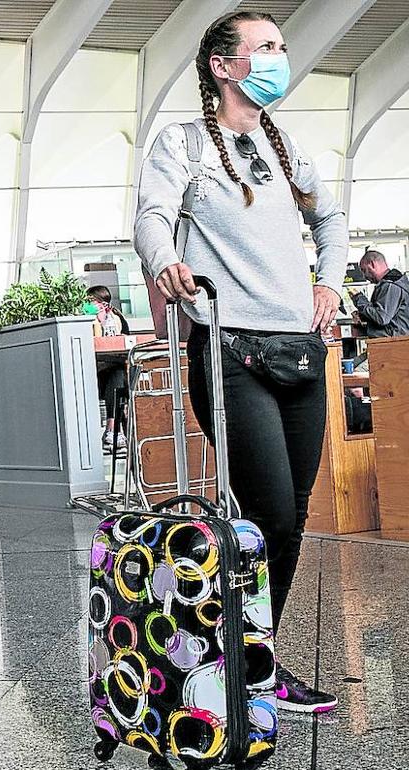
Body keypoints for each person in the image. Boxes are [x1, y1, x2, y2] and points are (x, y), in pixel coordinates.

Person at [134, 11, 347, 713]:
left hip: (301, 349)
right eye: (263, 48)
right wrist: (165, 261)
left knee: (292, 516)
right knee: (271, 515)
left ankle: (255, 661)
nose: (278, 58)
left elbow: (332, 218)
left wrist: (329, 282)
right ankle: (246, 664)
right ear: (223, 66)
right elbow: (153, 215)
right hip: (228, 347)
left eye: (281, 47)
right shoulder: (186, 143)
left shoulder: (287, 147)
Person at [88, 285, 130, 451]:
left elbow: (125, 341)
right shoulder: (84, 319)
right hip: (91, 373)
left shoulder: (117, 318)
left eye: (92, 302)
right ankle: (113, 430)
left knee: (117, 373)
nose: (89, 305)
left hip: (110, 373)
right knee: (116, 374)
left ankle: (112, 430)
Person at [350, 249, 409, 338]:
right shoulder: (392, 284)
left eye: (364, 270)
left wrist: (360, 300)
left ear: (372, 264)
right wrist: (363, 316)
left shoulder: (390, 286)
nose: (364, 276)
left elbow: (382, 318)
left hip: (393, 344)